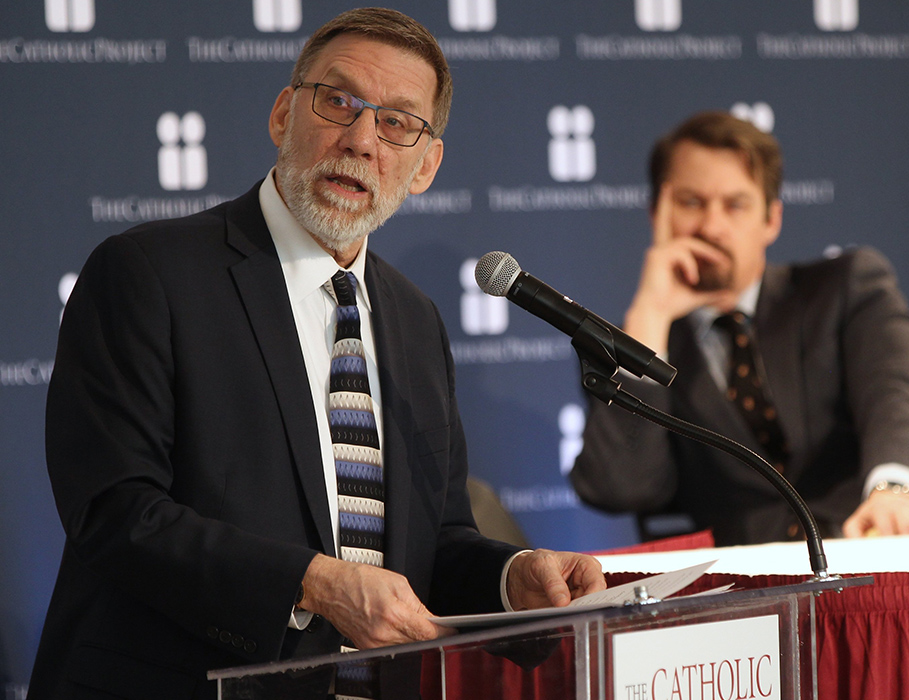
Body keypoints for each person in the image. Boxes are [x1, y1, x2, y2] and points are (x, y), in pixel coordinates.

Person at [29, 8, 604, 698]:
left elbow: (435, 542)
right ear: (282, 116)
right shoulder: (149, 273)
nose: (361, 139)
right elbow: (114, 512)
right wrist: (315, 584)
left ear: (424, 166)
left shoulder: (415, 320)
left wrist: (513, 579)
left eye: (397, 122)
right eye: (338, 102)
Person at [570, 111, 909, 546]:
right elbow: (621, 488)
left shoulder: (846, 287)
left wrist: (891, 489)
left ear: (771, 219)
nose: (711, 226)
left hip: (897, 536)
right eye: (691, 202)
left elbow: (899, 394)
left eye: (735, 204)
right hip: (758, 590)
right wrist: (649, 316)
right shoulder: (628, 341)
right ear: (657, 214)